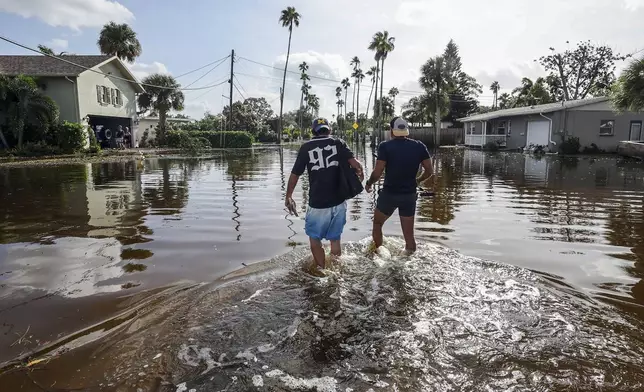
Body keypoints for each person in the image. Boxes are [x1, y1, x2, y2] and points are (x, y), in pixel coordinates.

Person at [285, 118, 364, 269]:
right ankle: (336, 269)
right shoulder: (338, 143)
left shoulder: (306, 147)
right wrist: (360, 180)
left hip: (318, 202)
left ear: (313, 131)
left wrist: (288, 196)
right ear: (329, 130)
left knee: (315, 240)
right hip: (339, 201)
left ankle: (322, 271)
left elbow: (295, 174)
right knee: (335, 239)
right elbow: (358, 166)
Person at [364, 117, 434, 253]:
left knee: (377, 223)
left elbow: (377, 172)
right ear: (406, 130)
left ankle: (379, 254)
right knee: (409, 237)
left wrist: (368, 183)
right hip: (409, 195)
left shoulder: (385, 146)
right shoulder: (419, 146)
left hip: (389, 194)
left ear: (391, 130)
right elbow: (429, 171)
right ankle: (409, 256)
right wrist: (417, 181)